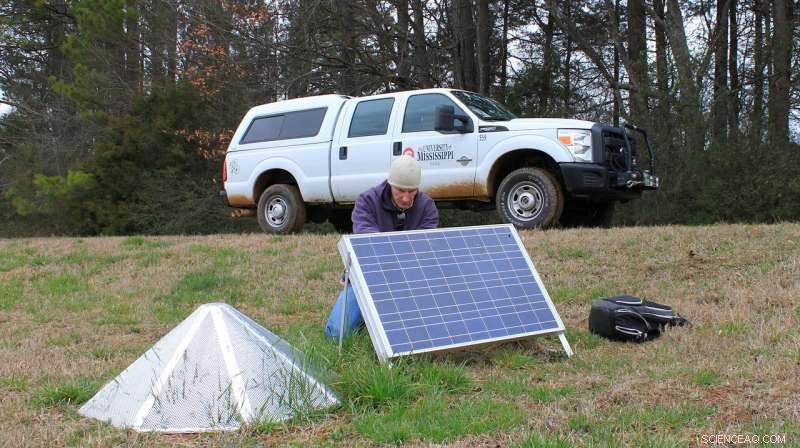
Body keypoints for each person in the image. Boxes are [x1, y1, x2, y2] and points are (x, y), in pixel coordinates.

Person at [324, 155, 439, 338]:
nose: (406, 198)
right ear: (390, 184)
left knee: (423, 331)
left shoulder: (427, 206)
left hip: (409, 278)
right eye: (401, 190)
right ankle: (366, 316)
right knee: (337, 334)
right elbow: (370, 244)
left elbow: (424, 248)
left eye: (412, 191)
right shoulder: (367, 201)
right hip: (370, 274)